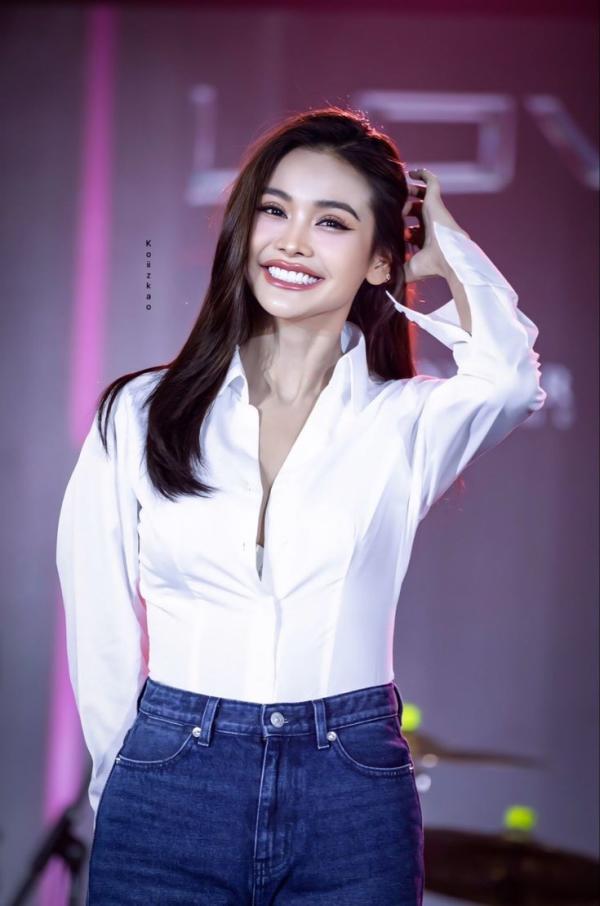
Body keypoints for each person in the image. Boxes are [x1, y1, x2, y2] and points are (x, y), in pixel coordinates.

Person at [56, 106, 546, 905]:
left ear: (382, 261)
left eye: (332, 222)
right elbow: (100, 622)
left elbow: (510, 380)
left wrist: (450, 250)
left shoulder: (405, 422)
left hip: (350, 790)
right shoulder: (139, 414)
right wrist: (129, 780)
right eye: (275, 211)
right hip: (168, 777)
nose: (291, 242)